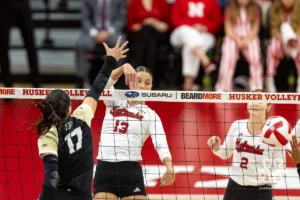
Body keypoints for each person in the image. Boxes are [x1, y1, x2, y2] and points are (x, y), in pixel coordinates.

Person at [35, 37, 128, 200]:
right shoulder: (82, 116)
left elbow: (52, 175)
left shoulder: (48, 134)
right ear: (70, 108)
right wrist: (112, 59)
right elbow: (97, 87)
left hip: (59, 195)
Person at [93, 65, 175, 200]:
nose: (142, 86)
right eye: (138, 80)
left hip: (130, 171)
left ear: (151, 88)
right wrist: (123, 68)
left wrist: (169, 167)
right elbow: (104, 82)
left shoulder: (151, 115)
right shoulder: (114, 99)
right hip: (105, 169)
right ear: (130, 81)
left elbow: (161, 144)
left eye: (147, 83)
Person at [207, 93, 286, 200]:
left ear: (268, 106)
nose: (255, 104)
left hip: (262, 190)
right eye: (252, 100)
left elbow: (280, 167)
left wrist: (269, 179)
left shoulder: (276, 133)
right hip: (235, 186)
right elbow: (225, 153)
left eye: (260, 101)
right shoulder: (237, 125)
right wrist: (216, 148)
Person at [170, 0, 222, 91]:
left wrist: (205, 27)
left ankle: (188, 85)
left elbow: (217, 20)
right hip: (181, 34)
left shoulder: (212, 2)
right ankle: (206, 61)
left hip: (205, 33)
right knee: (186, 31)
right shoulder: (179, 1)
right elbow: (175, 19)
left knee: (190, 46)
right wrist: (192, 27)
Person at [75, 0, 127, 88]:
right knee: (81, 45)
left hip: (112, 31)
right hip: (92, 32)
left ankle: (119, 79)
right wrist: (94, 33)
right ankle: (80, 79)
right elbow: (85, 19)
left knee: (121, 44)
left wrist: (108, 32)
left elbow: (121, 19)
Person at [215, 0, 263, 92]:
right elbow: (227, 27)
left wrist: (248, 39)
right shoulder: (229, 9)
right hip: (233, 37)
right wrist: (237, 40)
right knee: (228, 57)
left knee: (255, 57)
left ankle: (257, 87)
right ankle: (223, 86)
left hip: (250, 37)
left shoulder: (255, 9)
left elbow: (256, 28)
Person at [127, 0, 170, 87]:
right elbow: (131, 25)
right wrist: (144, 23)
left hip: (158, 35)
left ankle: (138, 77)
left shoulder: (162, 2)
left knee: (149, 33)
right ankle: (150, 79)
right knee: (149, 38)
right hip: (140, 35)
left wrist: (153, 23)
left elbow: (167, 25)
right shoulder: (134, 3)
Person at [0, 0, 40, 88]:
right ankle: (7, 85)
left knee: (31, 44)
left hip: (22, 3)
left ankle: (36, 84)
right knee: (3, 46)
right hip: (4, 5)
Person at [266, 0, 300, 93]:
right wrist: (282, 39)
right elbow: (273, 29)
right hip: (280, 40)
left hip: (295, 40)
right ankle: (270, 80)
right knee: (272, 47)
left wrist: (294, 38)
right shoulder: (274, 9)